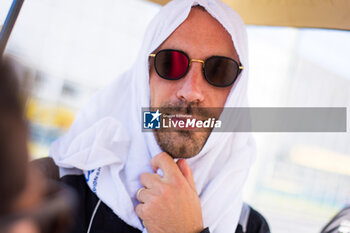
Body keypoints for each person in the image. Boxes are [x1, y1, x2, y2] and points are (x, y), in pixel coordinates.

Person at [49, 0, 262, 232]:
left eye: (219, 70)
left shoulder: (251, 226)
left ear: (237, 92)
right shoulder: (56, 196)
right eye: (171, 63)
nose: (191, 92)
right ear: (144, 75)